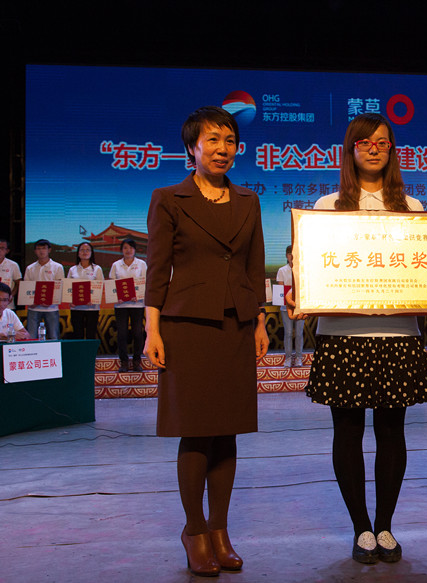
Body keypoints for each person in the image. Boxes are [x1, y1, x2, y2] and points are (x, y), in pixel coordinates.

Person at [296, 113, 427, 564]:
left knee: (391, 431)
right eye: (364, 142)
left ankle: (385, 525)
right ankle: (360, 528)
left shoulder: (414, 210)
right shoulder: (326, 208)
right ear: (350, 150)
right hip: (342, 336)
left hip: (397, 334)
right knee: (347, 432)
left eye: (382, 142)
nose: (373, 149)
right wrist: (304, 294)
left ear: (392, 151)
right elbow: (315, 271)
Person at [144, 106, 267, 577]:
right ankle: (194, 530)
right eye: (212, 140)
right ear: (191, 149)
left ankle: (220, 530)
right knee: (196, 429)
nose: (222, 149)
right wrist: (153, 330)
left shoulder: (248, 200)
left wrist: (259, 322)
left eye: (229, 140)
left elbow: (253, 267)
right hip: (187, 326)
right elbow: (158, 270)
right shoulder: (168, 198)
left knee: (227, 429)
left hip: (236, 324)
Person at [109, 239, 147, 372]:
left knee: (137, 333)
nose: (128, 250)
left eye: (131, 248)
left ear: (135, 250)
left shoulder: (141, 264)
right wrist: (116, 296)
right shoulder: (116, 265)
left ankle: (137, 361)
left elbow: (145, 283)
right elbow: (111, 284)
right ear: (121, 250)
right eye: (125, 248)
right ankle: (124, 362)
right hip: (121, 306)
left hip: (137, 304)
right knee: (122, 334)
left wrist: (139, 295)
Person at [24, 239, 65, 339]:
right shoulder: (30, 268)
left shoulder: (57, 267)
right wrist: (31, 302)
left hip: (51, 307)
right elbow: (26, 287)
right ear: (35, 251)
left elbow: (59, 287)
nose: (41, 251)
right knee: (32, 336)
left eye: (44, 248)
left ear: (49, 250)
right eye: (38, 249)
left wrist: (50, 301)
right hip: (33, 307)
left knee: (53, 336)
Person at [67, 242, 104, 339]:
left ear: (91, 253)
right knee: (77, 335)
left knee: (91, 335)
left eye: (87, 250)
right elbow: (67, 288)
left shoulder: (97, 269)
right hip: (76, 308)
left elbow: (100, 287)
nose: (85, 252)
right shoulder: (72, 269)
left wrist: (94, 299)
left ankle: (90, 350)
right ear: (78, 253)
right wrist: (70, 301)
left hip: (92, 308)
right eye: (82, 250)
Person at [276, 245, 304, 367]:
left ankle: (298, 357)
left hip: (299, 306)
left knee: (299, 333)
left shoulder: (302, 269)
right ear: (286, 256)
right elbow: (280, 290)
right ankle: (288, 358)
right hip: (285, 306)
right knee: (288, 333)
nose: (291, 256)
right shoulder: (282, 270)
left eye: (293, 254)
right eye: (289, 254)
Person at [0, 239, 22, 310]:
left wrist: (11, 295)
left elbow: (18, 283)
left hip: (8, 305)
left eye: (2, 248)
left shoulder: (13, 265)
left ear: (7, 251)